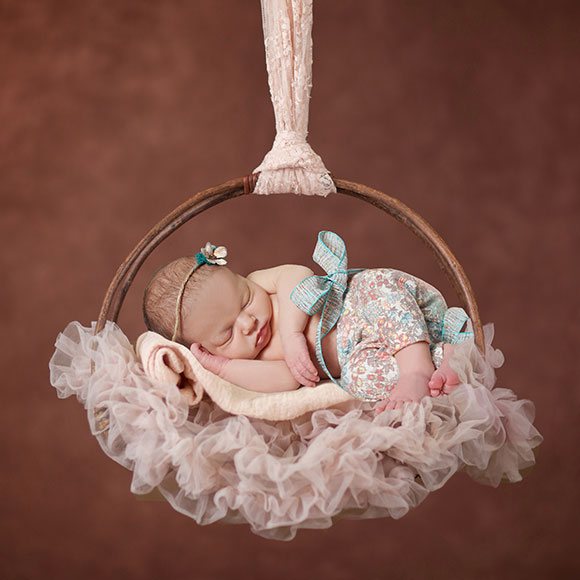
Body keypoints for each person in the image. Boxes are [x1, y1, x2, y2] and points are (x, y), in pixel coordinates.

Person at [143, 232, 471, 413]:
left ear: (243, 278)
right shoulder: (251, 361)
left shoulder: (263, 281)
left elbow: (298, 275)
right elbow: (288, 378)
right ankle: (444, 360)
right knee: (359, 381)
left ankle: (417, 367)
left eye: (244, 299)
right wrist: (222, 368)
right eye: (227, 334)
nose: (248, 322)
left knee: (377, 284)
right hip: (354, 356)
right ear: (205, 348)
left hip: (359, 305)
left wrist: (292, 332)